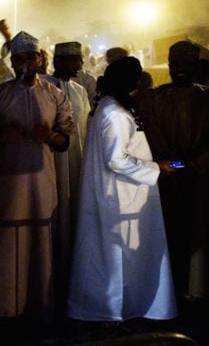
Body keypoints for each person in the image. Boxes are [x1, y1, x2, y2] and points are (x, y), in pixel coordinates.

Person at [0, 29, 76, 325]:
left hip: (41, 188)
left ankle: (37, 308)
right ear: (12, 60)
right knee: (3, 249)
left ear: (40, 58)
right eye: (18, 58)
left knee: (39, 249)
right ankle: (1, 310)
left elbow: (66, 138)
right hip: (5, 188)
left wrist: (51, 137)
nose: (24, 64)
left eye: (29, 57)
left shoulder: (55, 94)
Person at [67, 56, 178, 323]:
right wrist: (156, 168)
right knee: (115, 254)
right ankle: (110, 309)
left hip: (123, 193)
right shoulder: (114, 113)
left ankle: (123, 306)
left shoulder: (111, 106)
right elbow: (116, 159)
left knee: (119, 254)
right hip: (119, 196)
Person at [139, 40, 209, 309]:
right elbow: (153, 138)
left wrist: (193, 166)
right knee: (168, 237)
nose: (179, 69)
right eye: (174, 63)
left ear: (195, 66)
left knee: (200, 238)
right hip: (167, 183)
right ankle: (166, 292)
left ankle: (198, 293)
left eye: (185, 63)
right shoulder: (154, 98)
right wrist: (178, 166)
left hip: (201, 183)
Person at [43, 41, 91, 307]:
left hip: (74, 165)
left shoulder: (80, 90)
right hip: (51, 164)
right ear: (59, 61)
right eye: (75, 60)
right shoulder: (43, 87)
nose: (80, 65)